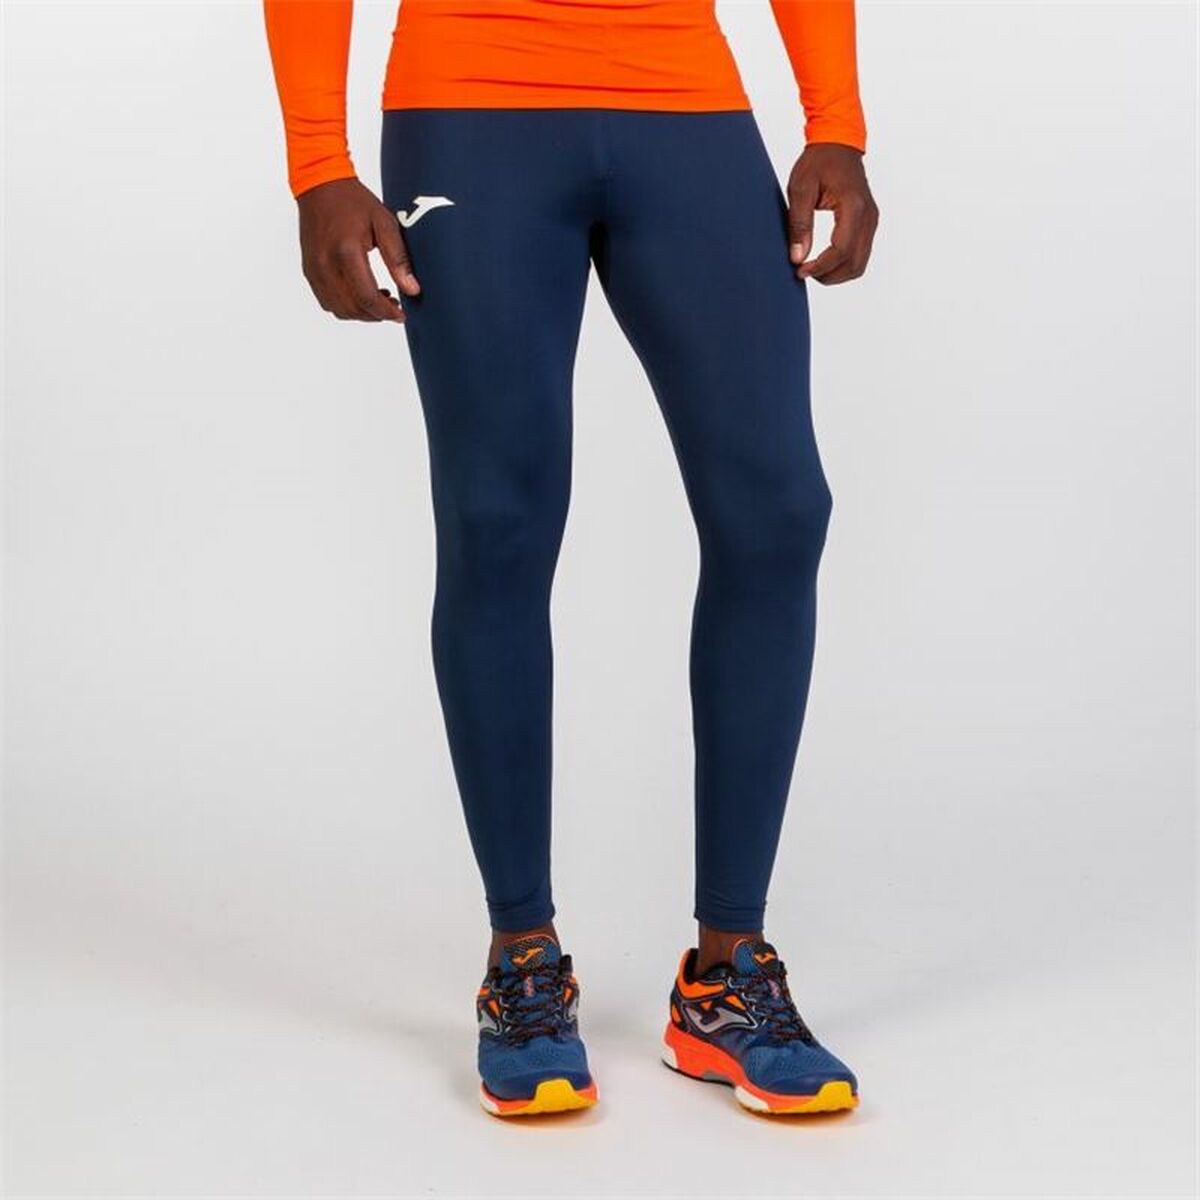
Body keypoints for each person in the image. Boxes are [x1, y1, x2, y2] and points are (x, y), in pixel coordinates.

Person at [264, 0, 878, 1118]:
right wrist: (319, 164)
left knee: (777, 512)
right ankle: (523, 962)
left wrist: (836, 122)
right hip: (468, 109)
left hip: (687, 106)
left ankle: (726, 980)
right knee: (499, 520)